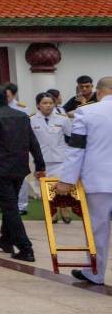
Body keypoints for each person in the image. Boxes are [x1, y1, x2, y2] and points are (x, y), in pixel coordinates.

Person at [0, 83, 45, 262]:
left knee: (10, 207)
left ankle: (25, 247)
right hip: (19, 168)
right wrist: (40, 164)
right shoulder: (21, 115)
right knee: (10, 204)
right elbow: (32, 142)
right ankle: (6, 239)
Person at [55, 76, 112, 285]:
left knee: (98, 228)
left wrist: (67, 179)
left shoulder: (86, 112)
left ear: (98, 92)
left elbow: (76, 148)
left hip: (99, 179)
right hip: (100, 178)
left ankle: (95, 273)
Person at [31, 92, 73, 223]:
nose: (48, 106)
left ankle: (65, 210)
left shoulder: (62, 118)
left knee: (61, 187)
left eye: (50, 103)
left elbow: (71, 137)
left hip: (60, 158)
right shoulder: (31, 119)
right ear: (38, 105)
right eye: (45, 103)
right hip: (41, 159)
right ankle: (52, 212)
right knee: (45, 188)